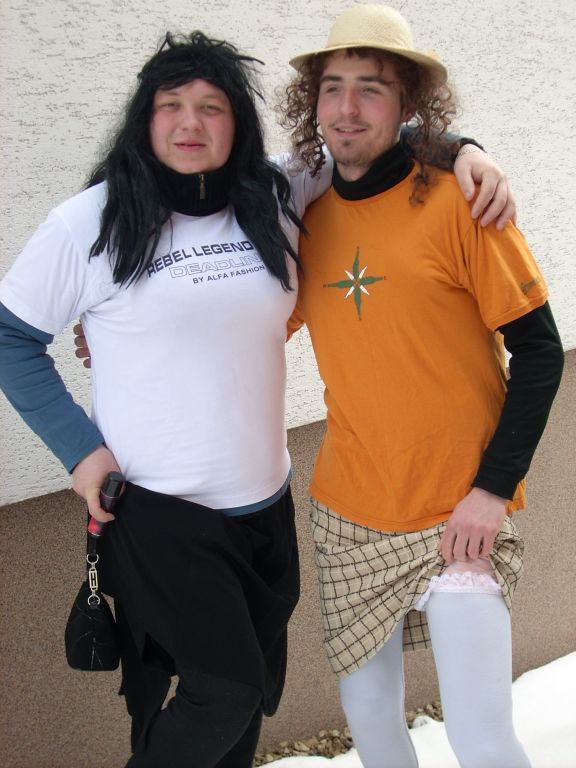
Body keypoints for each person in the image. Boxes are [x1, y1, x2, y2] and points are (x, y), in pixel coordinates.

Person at [0, 28, 516, 768]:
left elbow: (366, 136)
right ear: (144, 118)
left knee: (252, 697)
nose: (190, 123)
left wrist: (465, 150)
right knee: (223, 694)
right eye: (170, 105)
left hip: (264, 508)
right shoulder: (91, 221)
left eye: (212, 106)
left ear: (238, 121)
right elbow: (11, 337)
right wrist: (81, 454)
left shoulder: (274, 192)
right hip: (160, 511)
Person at [282, 5, 564, 768]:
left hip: (458, 511)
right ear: (313, 100)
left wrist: (492, 490)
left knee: (481, 736)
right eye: (333, 87)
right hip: (349, 512)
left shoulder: (462, 200)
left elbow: (540, 352)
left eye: (371, 88)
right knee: (371, 720)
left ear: (408, 104)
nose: (347, 108)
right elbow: (246, 327)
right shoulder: (304, 221)